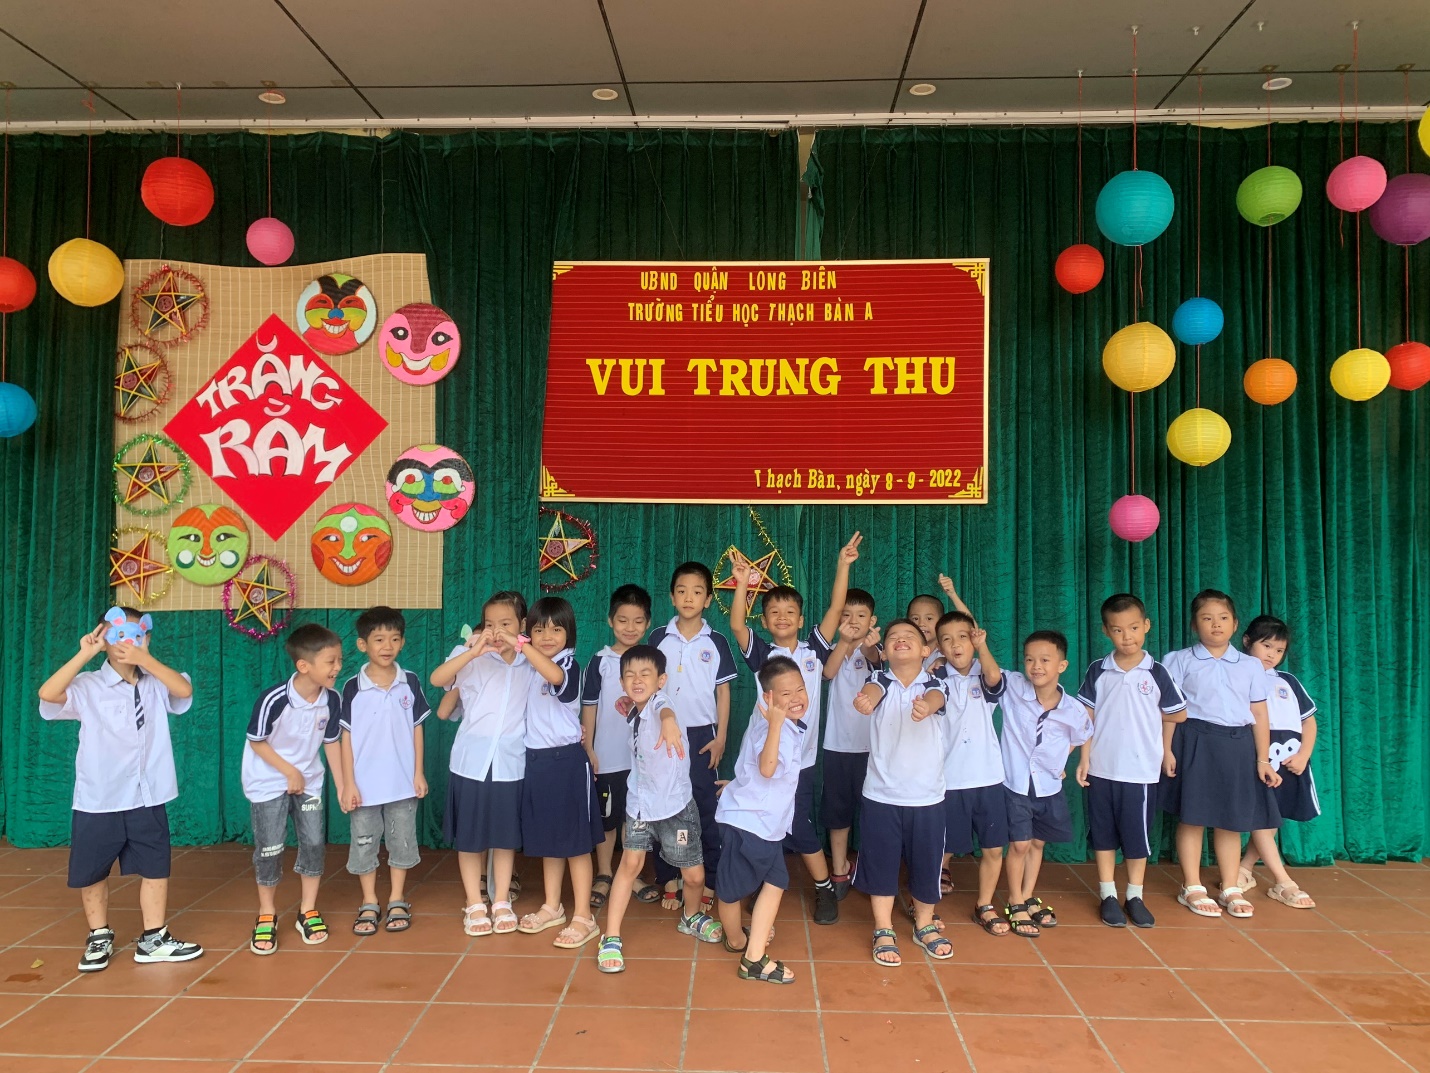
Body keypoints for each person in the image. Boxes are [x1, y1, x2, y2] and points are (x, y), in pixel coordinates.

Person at [38, 606, 203, 972]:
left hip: (149, 793)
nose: (128, 642)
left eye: (137, 635)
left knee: (155, 867)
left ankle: (154, 937)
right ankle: (99, 935)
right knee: (93, 871)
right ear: (103, 639)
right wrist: (85, 654)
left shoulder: (156, 680)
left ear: (147, 637)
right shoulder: (88, 686)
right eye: (118, 635)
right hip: (100, 797)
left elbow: (184, 690)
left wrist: (147, 659)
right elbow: (48, 694)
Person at [729, 532, 862, 925]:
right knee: (761, 820)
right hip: (763, 758)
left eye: (790, 611)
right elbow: (736, 623)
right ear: (764, 621)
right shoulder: (761, 654)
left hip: (800, 762)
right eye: (774, 612)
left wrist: (843, 565)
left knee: (800, 826)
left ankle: (824, 888)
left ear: (801, 620)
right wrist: (742, 583)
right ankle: (765, 879)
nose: (782, 616)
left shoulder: (814, 650)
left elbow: (836, 608)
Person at [596, 645, 724, 973]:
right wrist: (628, 705)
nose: (637, 680)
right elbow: (637, 710)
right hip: (640, 806)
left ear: (661, 680)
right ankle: (611, 936)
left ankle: (691, 916)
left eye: (645, 674)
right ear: (622, 682)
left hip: (676, 808)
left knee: (694, 876)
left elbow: (663, 709)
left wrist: (668, 722)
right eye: (630, 675)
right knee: (629, 865)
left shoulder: (661, 703)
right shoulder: (636, 709)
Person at [1160, 590, 1281, 920]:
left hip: (1237, 744)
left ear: (1235, 624)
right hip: (1194, 740)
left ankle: (1230, 886)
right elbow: (1169, 710)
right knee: (1193, 815)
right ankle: (1192, 885)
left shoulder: (1251, 665)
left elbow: (1259, 713)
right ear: (1194, 624)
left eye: (1223, 618)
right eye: (1207, 618)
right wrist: (1166, 749)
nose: (1216, 624)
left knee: (1232, 818)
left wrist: (1262, 759)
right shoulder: (1179, 660)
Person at [1074, 594, 1187, 929]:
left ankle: (1134, 896)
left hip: (1140, 772)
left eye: (1134, 628)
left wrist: (1162, 745)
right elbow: (1086, 716)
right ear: (1106, 631)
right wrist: (1084, 758)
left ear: (1146, 626)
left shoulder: (1157, 672)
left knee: (1137, 838)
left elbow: (1178, 713)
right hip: (1101, 768)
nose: (1127, 636)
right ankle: (1108, 894)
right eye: (1118, 629)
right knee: (1103, 835)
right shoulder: (1098, 669)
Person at [431, 591, 533, 937]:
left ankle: (501, 900)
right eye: (491, 624)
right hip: (471, 762)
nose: (497, 631)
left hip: (510, 762)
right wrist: (472, 651)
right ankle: (475, 903)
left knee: (504, 838)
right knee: (470, 837)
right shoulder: (471, 656)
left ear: (522, 625)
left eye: (506, 623)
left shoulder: (529, 662)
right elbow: (438, 679)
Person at [851, 620, 952, 965]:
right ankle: (883, 928)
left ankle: (924, 924)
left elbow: (937, 697)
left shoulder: (935, 682)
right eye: (893, 637)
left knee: (927, 864)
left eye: (909, 636)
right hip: (881, 795)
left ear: (925, 650)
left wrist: (927, 707)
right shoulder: (880, 679)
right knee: (881, 864)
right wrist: (865, 701)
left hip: (927, 797)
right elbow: (872, 692)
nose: (900, 640)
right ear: (885, 651)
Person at [242, 622, 346, 954]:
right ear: (304, 665)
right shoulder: (274, 698)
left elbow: (331, 742)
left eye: (339, 660)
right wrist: (289, 771)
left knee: (313, 842)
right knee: (270, 847)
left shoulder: (333, 699)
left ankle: (307, 910)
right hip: (268, 782)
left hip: (309, 782)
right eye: (330, 661)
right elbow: (257, 741)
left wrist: (342, 786)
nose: (337, 667)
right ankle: (266, 913)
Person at [514, 596, 603, 948]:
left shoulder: (569, 665)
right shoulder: (526, 666)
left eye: (556, 629)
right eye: (538, 630)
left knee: (576, 844)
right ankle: (553, 906)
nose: (547, 636)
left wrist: (522, 644)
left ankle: (584, 915)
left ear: (569, 634)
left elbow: (554, 677)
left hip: (566, 763)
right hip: (537, 762)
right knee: (549, 840)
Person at [714, 656, 809, 983]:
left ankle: (738, 941)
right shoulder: (774, 728)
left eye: (800, 689)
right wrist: (777, 726)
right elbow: (768, 768)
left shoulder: (767, 722)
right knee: (749, 886)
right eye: (785, 694)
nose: (796, 698)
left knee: (766, 881)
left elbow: (754, 767)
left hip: (752, 818)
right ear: (768, 698)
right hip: (754, 823)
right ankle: (750, 956)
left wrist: (740, 782)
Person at [649, 563, 738, 911]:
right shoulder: (658, 637)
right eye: (682, 591)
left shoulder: (716, 641)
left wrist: (721, 737)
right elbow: (647, 685)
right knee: (665, 805)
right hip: (664, 732)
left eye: (697, 591)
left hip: (703, 735)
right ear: (672, 597)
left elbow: (724, 693)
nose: (689, 597)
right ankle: (670, 875)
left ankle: (709, 879)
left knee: (704, 806)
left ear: (708, 599)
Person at [339, 606, 429, 936]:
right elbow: (345, 738)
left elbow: (417, 729)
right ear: (363, 644)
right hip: (363, 786)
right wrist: (348, 783)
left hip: (402, 783)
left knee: (401, 842)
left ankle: (396, 898)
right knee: (364, 843)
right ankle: (369, 901)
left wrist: (418, 773)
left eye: (394, 638)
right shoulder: (352, 687)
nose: (387, 646)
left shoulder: (410, 682)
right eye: (378, 639)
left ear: (403, 642)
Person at [998, 630, 1092, 939]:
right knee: (1019, 844)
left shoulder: (1073, 709)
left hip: (1048, 786)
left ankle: (1027, 895)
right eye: (1030, 659)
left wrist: (1065, 760)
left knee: (1037, 843)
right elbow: (988, 670)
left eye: (1044, 660)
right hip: (1016, 782)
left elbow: (1083, 734)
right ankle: (1014, 900)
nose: (1036, 666)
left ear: (1062, 665)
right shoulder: (1013, 687)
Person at [933, 576, 1010, 937]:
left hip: (988, 778)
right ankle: (927, 905)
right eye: (946, 639)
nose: (955, 644)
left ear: (974, 640)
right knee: (939, 847)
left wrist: (982, 646)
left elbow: (993, 675)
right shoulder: (935, 678)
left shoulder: (985, 672)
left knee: (993, 848)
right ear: (938, 646)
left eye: (962, 637)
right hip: (948, 780)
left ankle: (985, 904)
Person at [581, 584, 659, 910]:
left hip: (641, 761)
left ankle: (632, 873)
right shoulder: (600, 662)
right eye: (623, 620)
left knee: (633, 818)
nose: (630, 628)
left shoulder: (653, 661)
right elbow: (589, 708)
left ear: (648, 623)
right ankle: (604, 872)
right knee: (607, 820)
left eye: (638, 621)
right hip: (608, 757)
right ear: (610, 621)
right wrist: (589, 749)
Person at [1236, 614, 1318, 910]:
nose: (1272, 654)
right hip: (1257, 758)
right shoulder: (1237, 676)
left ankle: (1244, 869)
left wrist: (1303, 755)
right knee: (1261, 815)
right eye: (1266, 645)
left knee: (1272, 819)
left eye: (1279, 650)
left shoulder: (1288, 681)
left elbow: (1309, 722)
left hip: (1290, 758)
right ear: (1247, 641)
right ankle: (1284, 882)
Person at [820, 589, 881, 899]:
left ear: (873, 620)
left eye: (861, 615)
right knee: (838, 811)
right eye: (846, 615)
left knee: (873, 812)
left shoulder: (877, 650)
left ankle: (872, 870)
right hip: (837, 745)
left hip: (872, 748)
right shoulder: (833, 648)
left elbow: (875, 659)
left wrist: (868, 645)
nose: (853, 621)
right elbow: (828, 672)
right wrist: (844, 641)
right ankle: (840, 868)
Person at [906, 594, 946, 670]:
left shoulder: (947, 651)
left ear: (941, 622)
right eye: (915, 618)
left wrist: (944, 660)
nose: (921, 624)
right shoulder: (904, 650)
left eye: (929, 618)